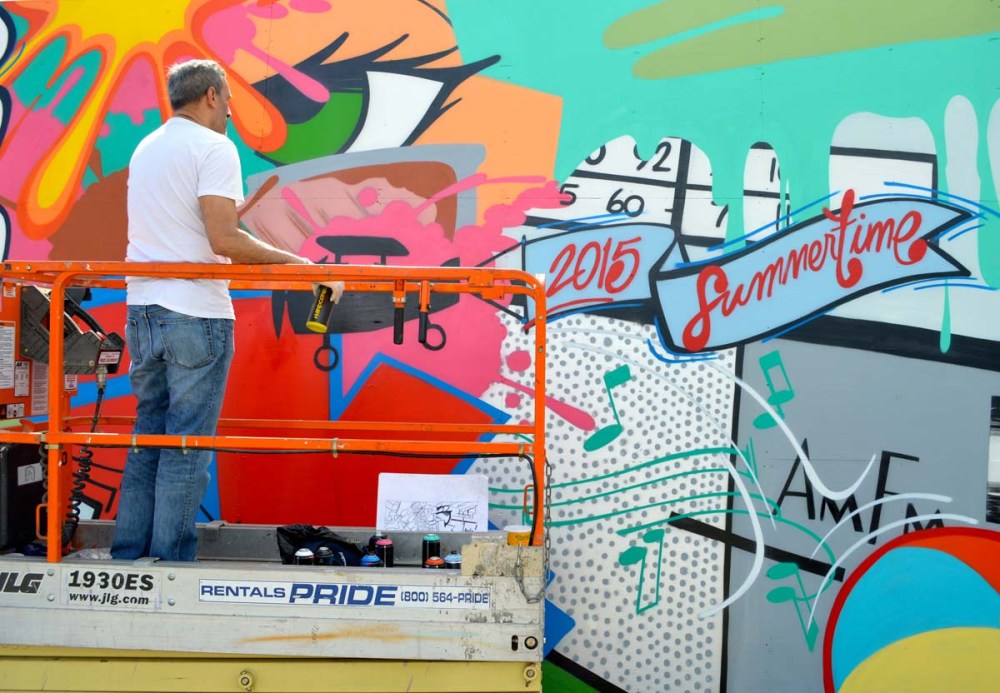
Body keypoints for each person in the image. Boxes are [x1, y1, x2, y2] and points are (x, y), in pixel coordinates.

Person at [111, 59, 341, 561]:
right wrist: (302, 266)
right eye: (230, 100)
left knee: (147, 437)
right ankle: (171, 565)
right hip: (193, 311)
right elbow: (225, 238)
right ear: (212, 96)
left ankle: (129, 557)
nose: (232, 112)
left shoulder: (147, 147)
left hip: (142, 309)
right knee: (187, 444)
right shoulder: (214, 147)